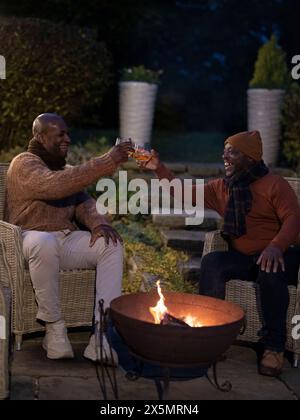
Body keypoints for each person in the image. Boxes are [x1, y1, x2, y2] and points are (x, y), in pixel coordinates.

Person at [139, 131, 300, 377]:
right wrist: (158, 168)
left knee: (269, 268)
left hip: (281, 253)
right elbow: (183, 192)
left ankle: (274, 347)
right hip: (246, 257)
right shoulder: (222, 188)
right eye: (224, 150)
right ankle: (211, 337)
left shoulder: (275, 184)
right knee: (213, 262)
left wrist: (276, 245)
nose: (224, 156)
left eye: (232, 151)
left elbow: (293, 219)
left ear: (250, 157)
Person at [5, 113, 133, 364]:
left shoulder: (64, 169)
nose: (68, 138)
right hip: (28, 240)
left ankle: (101, 337)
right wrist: (108, 160)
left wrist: (99, 224)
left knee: (111, 244)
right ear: (40, 137)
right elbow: (55, 186)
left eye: (68, 133)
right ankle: (54, 327)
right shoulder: (24, 163)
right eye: (60, 134)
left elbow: (84, 203)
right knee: (44, 242)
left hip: (63, 241)